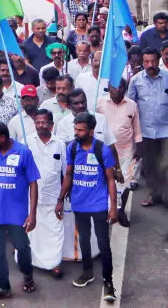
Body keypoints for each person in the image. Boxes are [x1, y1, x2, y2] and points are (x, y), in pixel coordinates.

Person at [0, 122, 40, 302]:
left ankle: (27, 274)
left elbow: (33, 183)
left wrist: (32, 213)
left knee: (22, 248)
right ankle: (3, 287)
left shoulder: (23, 152)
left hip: (17, 214)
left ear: (2, 138)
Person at [56, 113, 118, 302]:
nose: (77, 132)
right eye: (76, 129)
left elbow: (110, 179)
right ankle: (87, 272)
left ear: (91, 131)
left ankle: (108, 282)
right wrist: (60, 199)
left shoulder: (102, 150)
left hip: (98, 203)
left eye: (81, 130)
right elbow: (68, 174)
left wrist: (113, 207)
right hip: (79, 203)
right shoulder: (73, 148)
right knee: (83, 239)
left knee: (103, 243)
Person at [25, 109, 67, 278]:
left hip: (53, 196)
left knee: (54, 229)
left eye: (43, 122)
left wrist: (62, 198)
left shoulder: (60, 144)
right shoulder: (27, 141)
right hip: (31, 195)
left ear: (51, 125)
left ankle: (54, 263)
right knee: (33, 231)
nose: (40, 126)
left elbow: (66, 172)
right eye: (37, 122)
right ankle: (32, 260)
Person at [126, 47, 168, 207]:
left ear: (159, 60)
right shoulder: (136, 81)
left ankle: (165, 193)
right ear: (143, 62)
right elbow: (130, 106)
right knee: (150, 166)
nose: (150, 64)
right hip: (145, 131)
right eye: (146, 61)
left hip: (166, 129)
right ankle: (155, 194)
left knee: (165, 164)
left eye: (153, 61)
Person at [97, 79, 142, 187]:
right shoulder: (99, 103)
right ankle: (112, 203)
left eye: (120, 86)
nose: (117, 89)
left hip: (126, 151)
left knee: (124, 182)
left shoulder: (132, 105)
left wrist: (139, 148)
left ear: (125, 89)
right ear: (108, 89)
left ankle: (121, 203)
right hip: (105, 150)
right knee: (106, 182)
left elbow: (137, 128)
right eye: (114, 86)